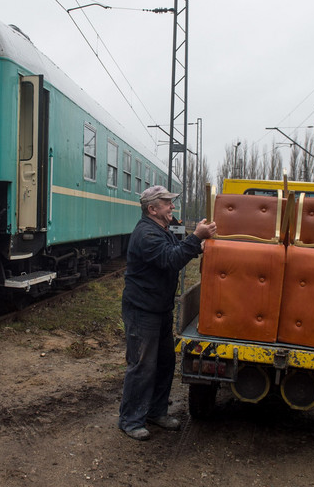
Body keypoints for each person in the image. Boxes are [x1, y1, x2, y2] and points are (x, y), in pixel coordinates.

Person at [118, 185, 216, 441]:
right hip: (142, 311)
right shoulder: (146, 235)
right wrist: (196, 237)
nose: (172, 206)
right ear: (152, 209)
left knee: (164, 363)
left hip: (159, 309)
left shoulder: (160, 230)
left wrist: (197, 245)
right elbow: (169, 259)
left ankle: (155, 412)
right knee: (142, 366)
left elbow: (176, 252)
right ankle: (130, 420)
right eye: (167, 203)